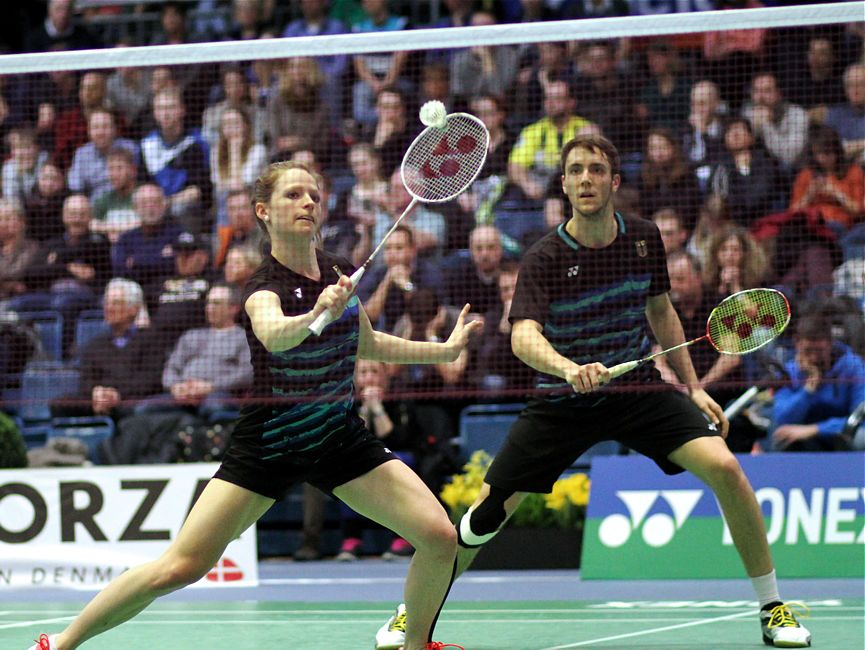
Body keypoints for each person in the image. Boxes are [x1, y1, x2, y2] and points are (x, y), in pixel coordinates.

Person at [374, 134, 811, 650]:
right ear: (563, 183)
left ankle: (772, 607)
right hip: (562, 400)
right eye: (576, 170)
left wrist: (691, 387)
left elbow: (662, 312)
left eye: (597, 170)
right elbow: (523, 336)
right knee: (489, 514)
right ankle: (411, 613)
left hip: (637, 390)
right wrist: (568, 368)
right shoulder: (545, 256)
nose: (586, 179)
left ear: (614, 181)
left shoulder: (645, 238)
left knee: (726, 468)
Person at [27, 160, 478, 650]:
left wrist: (443, 351)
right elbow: (275, 337)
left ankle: (414, 645)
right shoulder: (263, 286)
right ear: (263, 211)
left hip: (337, 438)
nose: (308, 202)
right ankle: (61, 643)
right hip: (269, 443)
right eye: (293, 195)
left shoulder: (338, 272)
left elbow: (366, 343)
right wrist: (318, 312)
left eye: (313, 194)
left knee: (439, 537)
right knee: (179, 567)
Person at [770, 312, 865, 452]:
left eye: (819, 351)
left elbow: (860, 418)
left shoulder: (853, 366)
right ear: (797, 343)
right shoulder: (789, 372)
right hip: (804, 439)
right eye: (808, 351)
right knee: (780, 436)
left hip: (840, 435)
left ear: (830, 344)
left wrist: (815, 429)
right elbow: (782, 418)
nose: (814, 358)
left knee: (861, 437)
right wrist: (808, 391)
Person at [66, 108, 139, 202]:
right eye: (96, 127)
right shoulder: (82, 154)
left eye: (105, 127)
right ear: (89, 131)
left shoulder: (131, 148)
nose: (100, 132)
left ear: (114, 129)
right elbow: (76, 188)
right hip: (95, 208)